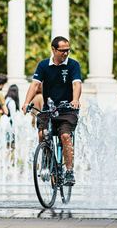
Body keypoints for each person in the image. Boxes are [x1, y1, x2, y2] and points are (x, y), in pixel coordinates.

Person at [22, 36, 82, 186]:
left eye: (68, 50)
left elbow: (76, 85)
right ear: (53, 49)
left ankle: (69, 171)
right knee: (42, 134)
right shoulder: (43, 65)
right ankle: (48, 162)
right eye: (62, 51)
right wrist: (26, 102)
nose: (66, 54)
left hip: (67, 110)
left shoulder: (73, 65)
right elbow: (35, 85)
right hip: (48, 110)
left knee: (65, 136)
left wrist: (75, 100)